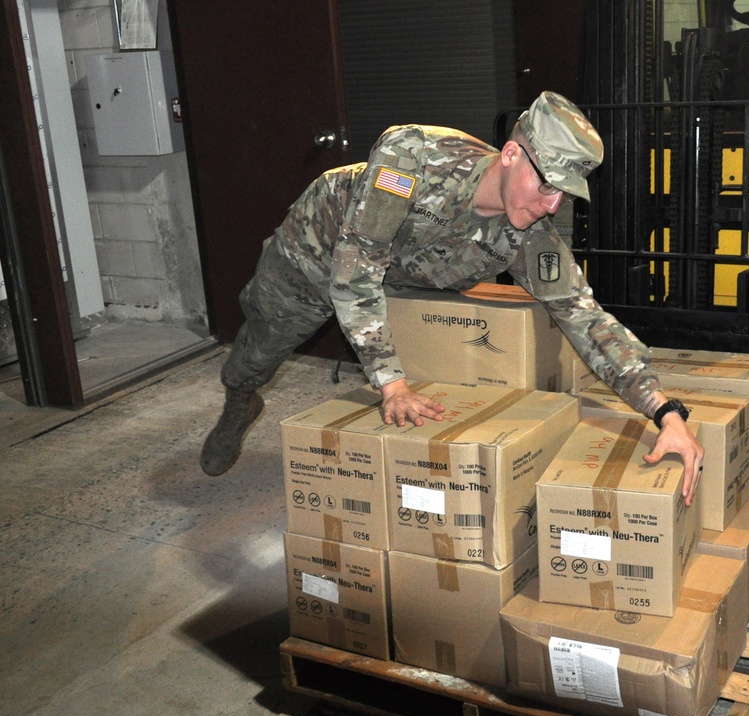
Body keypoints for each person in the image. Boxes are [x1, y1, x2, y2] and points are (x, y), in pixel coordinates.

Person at [201, 91, 705, 503]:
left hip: (402, 275)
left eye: (565, 195)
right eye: (546, 185)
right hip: (318, 246)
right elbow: (354, 274)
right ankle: (239, 403)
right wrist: (391, 384)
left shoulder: (529, 233)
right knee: (264, 346)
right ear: (511, 155)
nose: (551, 205)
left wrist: (665, 412)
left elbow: (583, 315)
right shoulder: (413, 158)